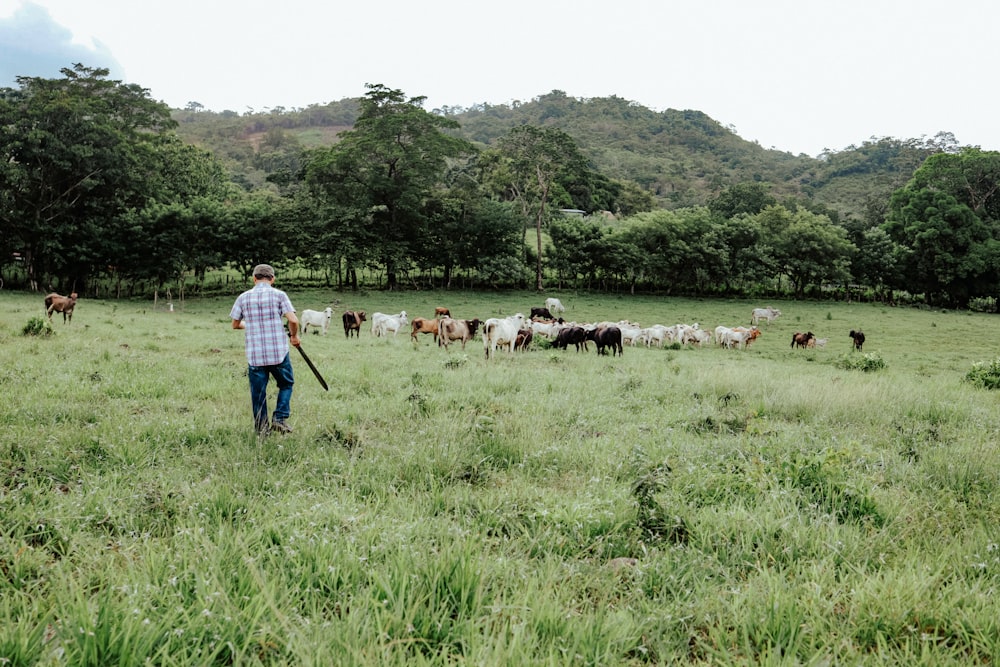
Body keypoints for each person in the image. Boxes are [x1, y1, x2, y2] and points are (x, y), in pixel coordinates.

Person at [230, 264, 300, 435]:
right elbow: (293, 320)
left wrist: (251, 324)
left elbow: (235, 324)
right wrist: (294, 336)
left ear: (254, 279)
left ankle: (262, 429)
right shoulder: (279, 295)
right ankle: (280, 418)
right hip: (278, 353)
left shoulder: (243, 297)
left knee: (258, 393)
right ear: (272, 279)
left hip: (255, 356)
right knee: (286, 383)